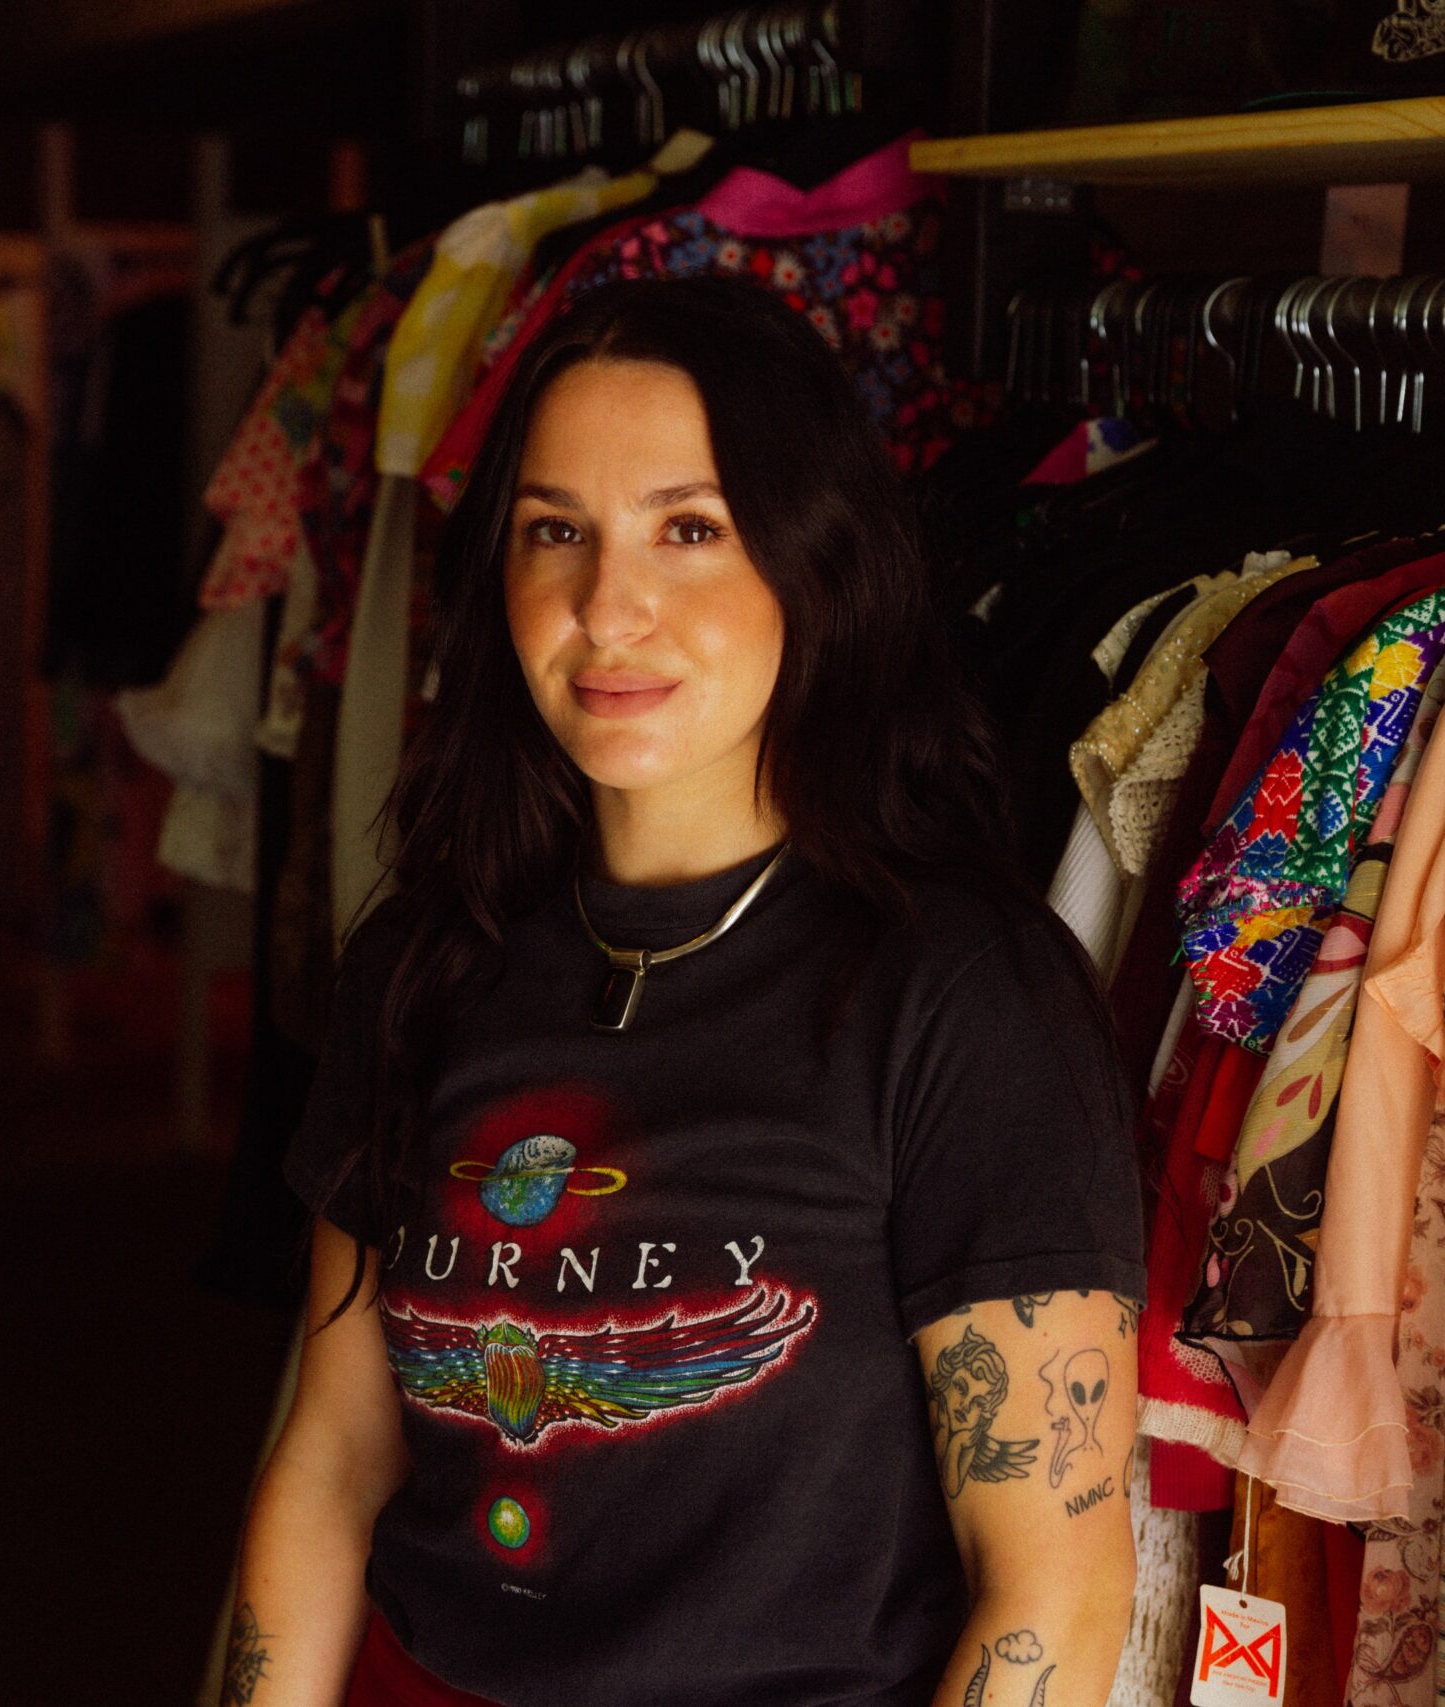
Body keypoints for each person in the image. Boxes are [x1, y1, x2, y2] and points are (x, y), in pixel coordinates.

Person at [228, 273, 1145, 1707]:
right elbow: (333, 1460)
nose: (609, 606)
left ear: (814, 562)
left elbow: (1058, 1588)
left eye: (690, 530)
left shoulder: (967, 996)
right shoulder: (426, 959)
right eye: (556, 533)